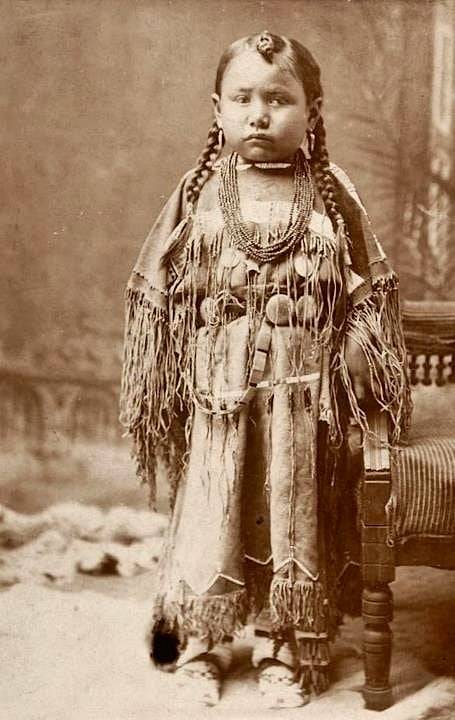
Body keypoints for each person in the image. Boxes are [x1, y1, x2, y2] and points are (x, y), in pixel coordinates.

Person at [120, 31, 411, 708]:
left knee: (289, 502)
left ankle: (280, 639)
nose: (258, 114)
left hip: (302, 395)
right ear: (215, 108)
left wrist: (356, 362)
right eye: (242, 98)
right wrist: (165, 381)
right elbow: (156, 297)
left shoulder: (329, 193)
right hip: (219, 391)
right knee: (216, 504)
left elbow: (371, 295)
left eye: (278, 99)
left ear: (311, 111)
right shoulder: (198, 192)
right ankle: (203, 640)